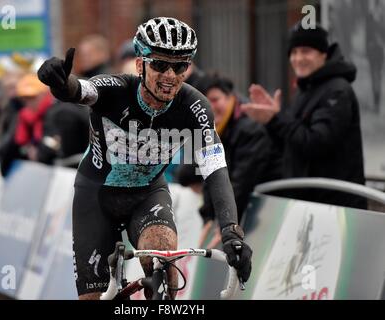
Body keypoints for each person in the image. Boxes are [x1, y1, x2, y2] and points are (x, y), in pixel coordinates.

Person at [37, 17, 253, 300]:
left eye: (180, 66)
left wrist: (232, 233)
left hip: (147, 195)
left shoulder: (195, 107)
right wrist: (60, 82)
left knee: (163, 262)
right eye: (160, 65)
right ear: (140, 65)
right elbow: (80, 90)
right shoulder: (114, 88)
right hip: (96, 195)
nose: (171, 76)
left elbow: (215, 170)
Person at [241, 22, 367, 209]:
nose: (298, 58)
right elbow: (291, 146)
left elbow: (316, 142)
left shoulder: (337, 91)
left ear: (323, 54)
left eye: (306, 51)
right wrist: (271, 123)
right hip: (309, 204)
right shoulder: (306, 89)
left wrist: (276, 119)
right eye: (294, 52)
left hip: (337, 208)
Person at [178, 74, 282, 248]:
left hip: (267, 216)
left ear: (230, 98)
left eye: (215, 99)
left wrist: (225, 223)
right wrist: (209, 216)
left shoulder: (249, 129)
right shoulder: (213, 130)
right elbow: (209, 174)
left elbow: (241, 181)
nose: (210, 106)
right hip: (240, 216)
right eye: (205, 101)